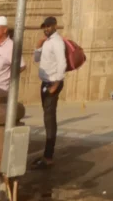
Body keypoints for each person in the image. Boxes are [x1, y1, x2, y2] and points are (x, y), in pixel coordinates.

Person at [32, 15, 67, 169]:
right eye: (44, 26)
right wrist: (38, 46)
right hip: (45, 83)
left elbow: (62, 63)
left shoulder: (58, 42)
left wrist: (57, 84)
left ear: (55, 26)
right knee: (47, 118)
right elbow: (36, 59)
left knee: (49, 119)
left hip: (53, 83)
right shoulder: (47, 42)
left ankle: (48, 156)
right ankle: (47, 154)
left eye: (48, 26)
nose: (46, 29)